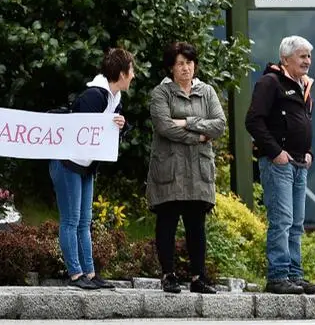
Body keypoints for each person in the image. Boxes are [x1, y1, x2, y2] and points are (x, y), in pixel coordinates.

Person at [49, 48, 134, 290]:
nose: (133, 76)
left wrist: (122, 124)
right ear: (121, 73)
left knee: (85, 221)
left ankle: (90, 271)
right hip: (68, 163)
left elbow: (108, 133)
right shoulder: (94, 96)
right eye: (131, 71)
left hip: (86, 166)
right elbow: (80, 129)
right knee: (71, 220)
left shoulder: (114, 98)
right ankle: (75, 274)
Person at [245, 35, 315, 295]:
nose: (307, 61)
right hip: (279, 162)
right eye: (302, 56)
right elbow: (253, 120)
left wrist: (308, 151)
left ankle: (295, 275)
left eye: (309, 56)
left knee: (297, 222)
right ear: (286, 59)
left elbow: (304, 122)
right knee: (282, 220)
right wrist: (275, 151)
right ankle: (278, 276)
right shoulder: (270, 82)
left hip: (300, 162)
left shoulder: (304, 86)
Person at [147, 42, 225, 294]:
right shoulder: (161, 93)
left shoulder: (207, 91)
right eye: (180, 63)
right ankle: (168, 275)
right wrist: (199, 135)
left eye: (189, 63)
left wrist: (186, 122)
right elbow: (164, 127)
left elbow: (219, 125)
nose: (185, 68)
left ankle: (198, 277)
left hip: (198, 169)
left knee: (196, 226)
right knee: (167, 222)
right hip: (170, 168)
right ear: (171, 67)